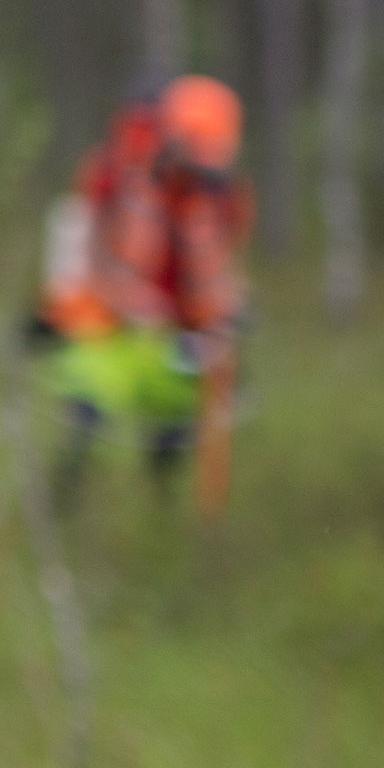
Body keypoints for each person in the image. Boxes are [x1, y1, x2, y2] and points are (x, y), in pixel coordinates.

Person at [34, 74, 252, 500]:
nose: (201, 166)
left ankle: (163, 510)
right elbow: (77, 247)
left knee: (179, 411)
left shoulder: (220, 198)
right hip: (108, 328)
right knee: (87, 402)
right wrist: (59, 313)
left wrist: (229, 318)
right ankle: (63, 501)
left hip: (174, 341)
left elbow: (222, 273)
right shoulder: (116, 179)